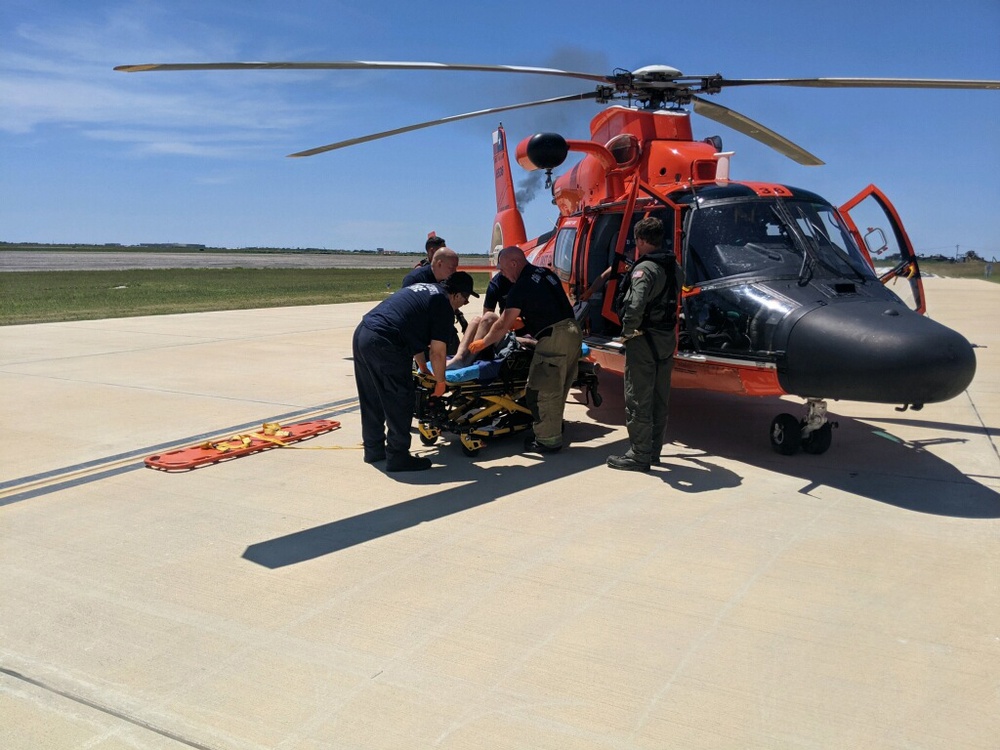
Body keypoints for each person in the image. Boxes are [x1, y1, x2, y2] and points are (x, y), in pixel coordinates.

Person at [353, 271, 477, 472]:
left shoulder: (426, 290)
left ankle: (374, 449)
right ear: (455, 295)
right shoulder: (443, 305)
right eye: (466, 298)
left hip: (363, 334)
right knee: (400, 398)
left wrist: (421, 367)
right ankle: (398, 456)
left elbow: (414, 336)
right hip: (386, 341)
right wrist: (440, 382)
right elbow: (437, 352)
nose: (465, 303)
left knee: (372, 397)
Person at [468, 246, 582, 454]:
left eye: (502, 269)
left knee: (542, 389)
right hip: (573, 332)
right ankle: (554, 427)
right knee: (560, 387)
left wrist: (483, 343)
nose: (501, 273)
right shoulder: (546, 274)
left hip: (553, 337)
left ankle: (548, 440)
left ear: (513, 263)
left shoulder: (521, 285)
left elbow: (503, 323)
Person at [606, 217, 681, 472]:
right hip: (665, 339)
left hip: (643, 339)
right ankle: (653, 451)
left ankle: (639, 454)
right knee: (660, 398)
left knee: (638, 397)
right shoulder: (673, 266)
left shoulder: (644, 269)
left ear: (639, 240)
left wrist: (627, 332)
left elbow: (635, 304)